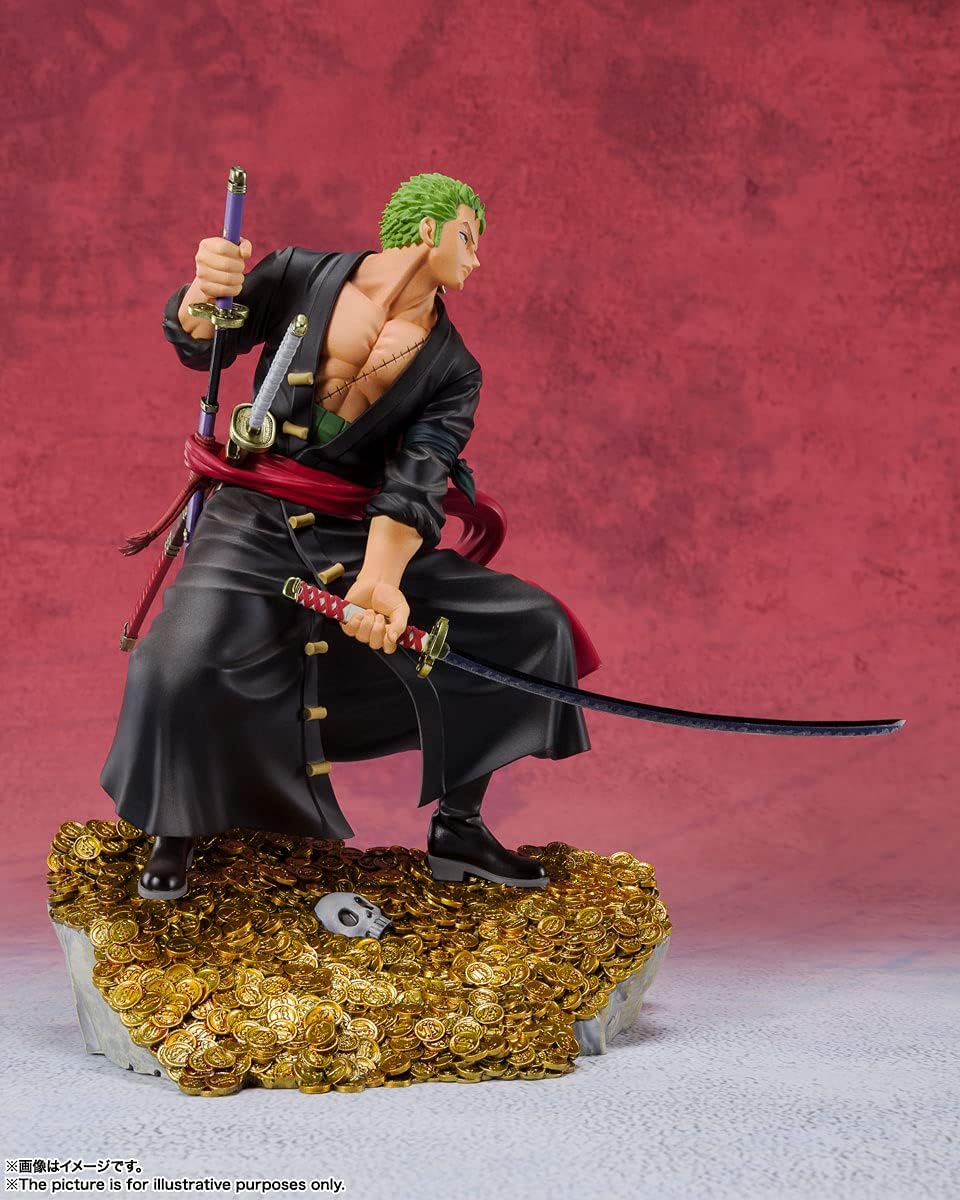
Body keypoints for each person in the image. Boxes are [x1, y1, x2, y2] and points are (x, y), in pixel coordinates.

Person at [101, 172, 592, 901]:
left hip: (359, 533)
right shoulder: (300, 273)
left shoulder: (453, 368)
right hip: (253, 514)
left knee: (530, 626)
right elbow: (203, 342)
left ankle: (459, 827)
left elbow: (419, 477)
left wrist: (381, 579)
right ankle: (175, 826)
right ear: (427, 230)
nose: (476, 258)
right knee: (175, 665)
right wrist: (203, 293)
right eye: (468, 237)